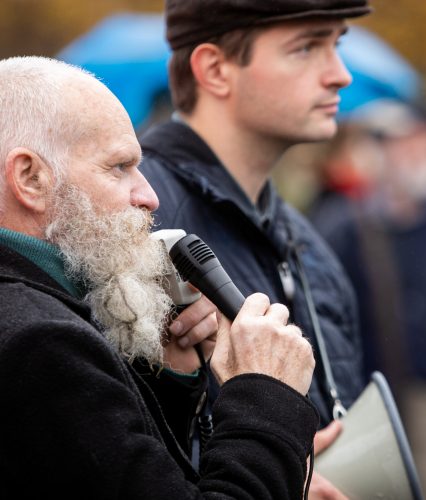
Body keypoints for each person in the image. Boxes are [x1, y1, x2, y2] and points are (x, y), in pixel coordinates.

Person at [0, 55, 320, 499]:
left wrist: (168, 372)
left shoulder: (38, 314)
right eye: (119, 167)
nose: (148, 196)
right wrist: (266, 398)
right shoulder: (40, 342)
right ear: (30, 178)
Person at [140, 1, 372, 497]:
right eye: (306, 47)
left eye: (337, 44)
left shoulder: (308, 242)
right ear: (215, 69)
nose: (341, 75)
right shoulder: (140, 227)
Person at [309, 99, 426, 499]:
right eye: (402, 143)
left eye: (424, 142)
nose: (417, 154)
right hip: (372, 403)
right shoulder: (344, 226)